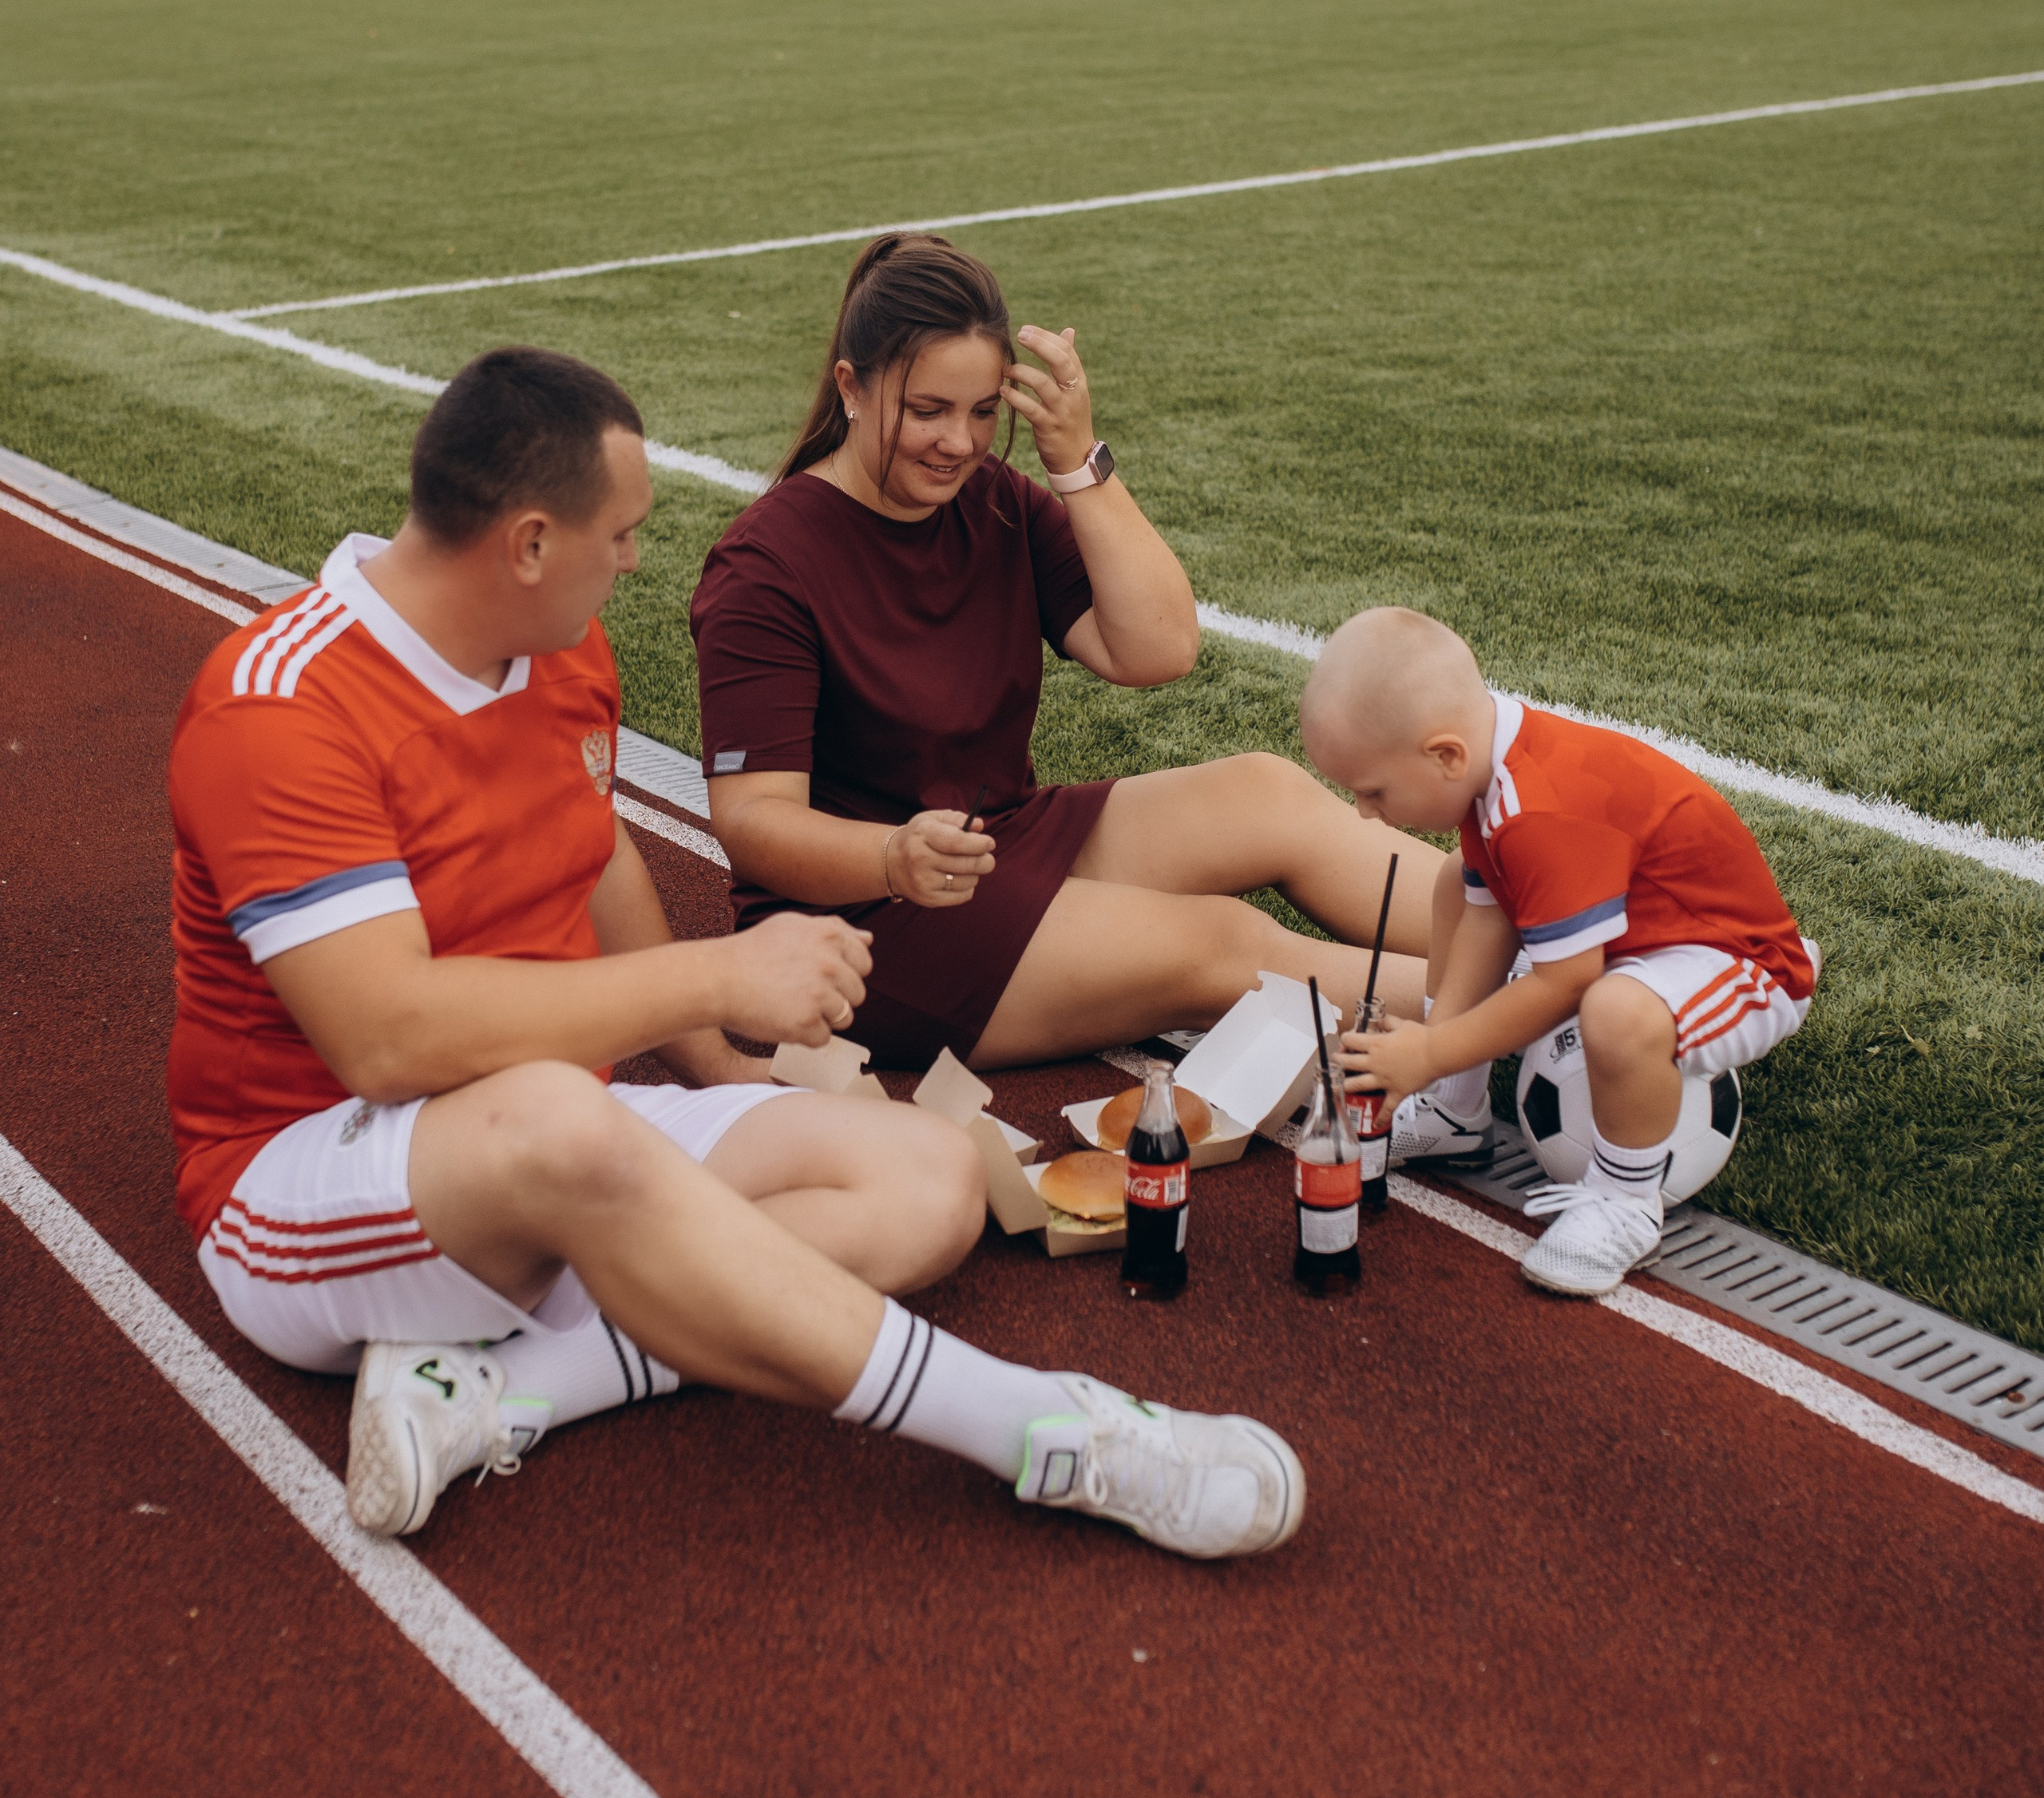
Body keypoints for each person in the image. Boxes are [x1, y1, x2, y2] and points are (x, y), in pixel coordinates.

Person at [165, 345, 1305, 1561]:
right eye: (622, 534)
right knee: (562, 1120)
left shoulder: (556, 648)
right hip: (300, 1174)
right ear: (531, 543)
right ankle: (1045, 1431)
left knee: (927, 1182)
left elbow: (592, 852)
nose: (636, 559)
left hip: (548, 1122)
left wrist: (714, 1064)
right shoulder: (281, 708)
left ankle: (512, 1384)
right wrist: (715, 977)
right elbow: (385, 1039)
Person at [688, 234, 1436, 1077]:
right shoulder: (766, 565)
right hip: (858, 926)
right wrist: (890, 855)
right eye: (927, 410)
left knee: (1266, 792)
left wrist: (1078, 466)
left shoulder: (994, 500)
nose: (960, 443)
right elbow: (753, 826)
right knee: (1220, 946)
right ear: (851, 389)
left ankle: (1549, 932)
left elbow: (1157, 648)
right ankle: (1526, 1005)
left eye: (982, 412)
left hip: (994, 839)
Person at [1299, 605, 1820, 1298]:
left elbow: (1566, 982)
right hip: (1634, 941)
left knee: (1614, 1012)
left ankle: (1626, 1202)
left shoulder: (1533, 811)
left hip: (1742, 962)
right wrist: (1435, 1053)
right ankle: (1456, 1112)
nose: (1365, 811)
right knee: (1459, 884)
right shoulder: (1488, 774)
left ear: (1444, 755)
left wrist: (1429, 1050)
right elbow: (1489, 923)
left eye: (1373, 791)